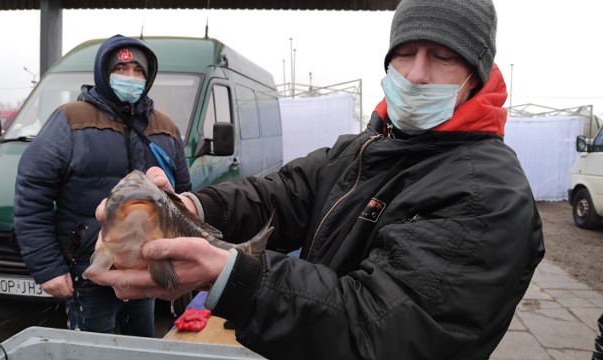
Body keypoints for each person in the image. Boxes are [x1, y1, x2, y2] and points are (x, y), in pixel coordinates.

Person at [86, 1, 545, 358]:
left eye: (443, 57)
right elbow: (282, 194)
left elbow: (381, 329)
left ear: (475, 75)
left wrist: (234, 277)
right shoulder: (368, 147)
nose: (417, 74)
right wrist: (190, 209)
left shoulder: (486, 193)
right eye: (404, 53)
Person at [14, 34, 192, 336]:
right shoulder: (70, 120)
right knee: (92, 350)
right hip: (89, 268)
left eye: (139, 72)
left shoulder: (165, 127)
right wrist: (48, 268)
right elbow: (32, 198)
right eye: (122, 70)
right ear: (103, 73)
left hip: (145, 265)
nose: (131, 78)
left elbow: (184, 199)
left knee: (141, 347)